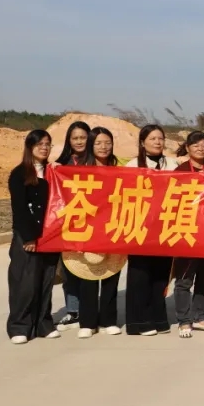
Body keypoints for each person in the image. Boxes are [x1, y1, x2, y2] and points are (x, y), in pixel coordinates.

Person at [7, 130, 60, 344]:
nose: (44, 148)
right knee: (25, 282)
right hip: (27, 236)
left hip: (50, 235)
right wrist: (29, 237)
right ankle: (19, 326)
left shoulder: (52, 172)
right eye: (39, 144)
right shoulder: (19, 173)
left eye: (47, 144)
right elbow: (19, 208)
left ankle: (43, 324)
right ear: (30, 147)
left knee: (46, 281)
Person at [124, 124, 177, 336]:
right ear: (142, 142)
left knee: (161, 275)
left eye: (160, 138)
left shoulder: (171, 164)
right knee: (140, 275)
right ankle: (139, 322)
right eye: (152, 138)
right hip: (140, 227)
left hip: (165, 227)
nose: (157, 142)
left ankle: (159, 318)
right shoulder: (132, 165)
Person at [75, 126, 124, 338]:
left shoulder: (119, 168)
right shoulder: (80, 170)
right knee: (88, 275)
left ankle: (108, 320)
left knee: (111, 275)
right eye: (98, 143)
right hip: (88, 229)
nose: (104, 147)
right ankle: (87, 322)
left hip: (113, 228)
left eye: (108, 143)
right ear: (91, 145)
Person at [171, 131, 204, 338]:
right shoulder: (180, 170)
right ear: (187, 148)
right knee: (184, 279)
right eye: (196, 145)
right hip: (187, 230)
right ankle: (184, 320)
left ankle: (199, 316)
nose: (201, 148)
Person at [54, 120, 91, 331]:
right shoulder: (61, 165)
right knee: (69, 268)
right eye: (75, 138)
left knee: (88, 268)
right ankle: (73, 310)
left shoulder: (97, 162)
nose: (79, 141)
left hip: (91, 223)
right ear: (69, 140)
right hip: (67, 224)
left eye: (83, 137)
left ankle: (89, 309)